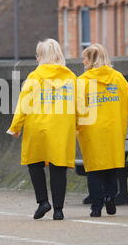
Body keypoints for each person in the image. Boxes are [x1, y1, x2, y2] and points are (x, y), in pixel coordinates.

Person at [7, 39, 76, 220]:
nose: (36, 58)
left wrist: (15, 127)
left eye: (38, 55)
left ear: (42, 57)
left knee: (35, 164)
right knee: (58, 167)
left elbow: (23, 104)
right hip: (61, 127)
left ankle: (43, 202)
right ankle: (59, 210)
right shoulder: (70, 77)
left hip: (37, 125)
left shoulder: (34, 77)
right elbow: (80, 105)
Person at [76, 44, 128, 217]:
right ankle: (110, 197)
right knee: (112, 167)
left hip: (91, 131)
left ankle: (96, 206)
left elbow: (75, 109)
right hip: (114, 130)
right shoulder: (118, 78)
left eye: (84, 57)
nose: (82, 61)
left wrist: (72, 127)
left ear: (91, 60)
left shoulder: (82, 82)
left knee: (94, 170)